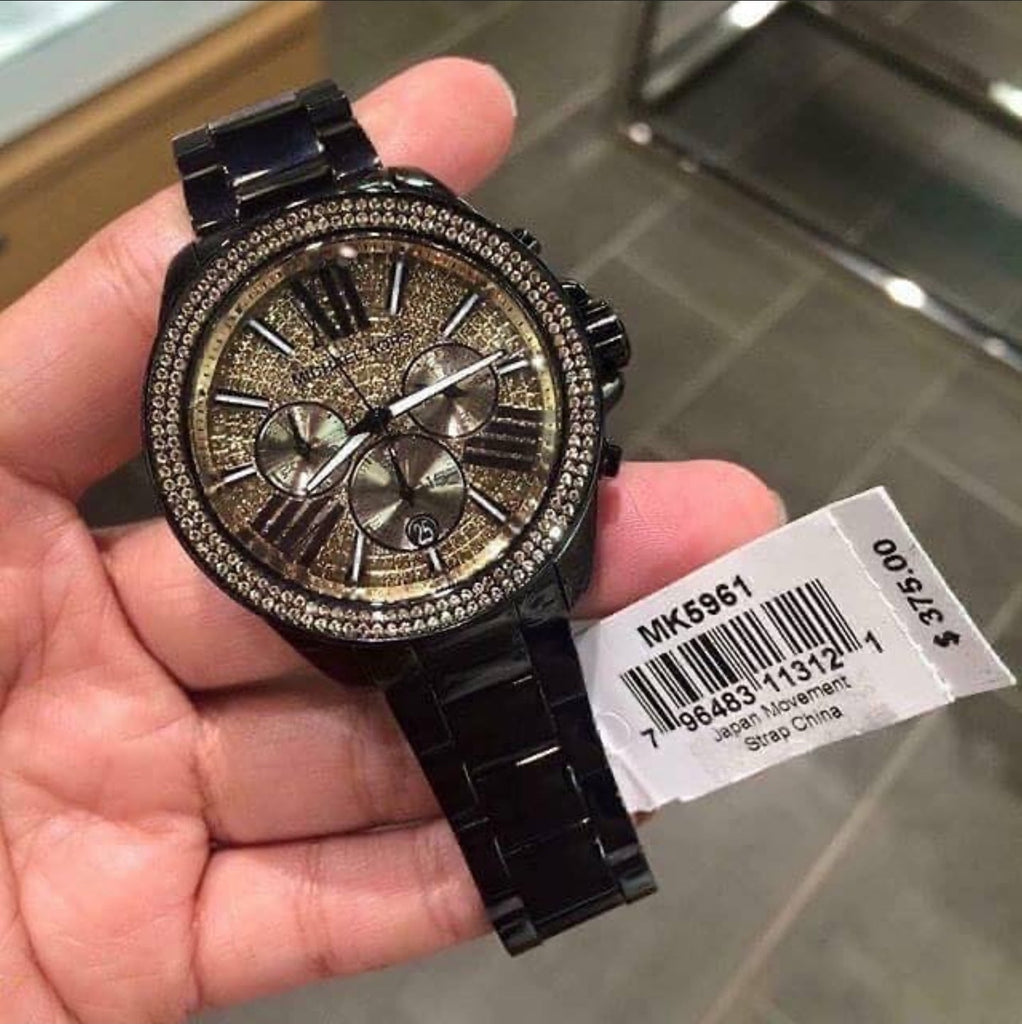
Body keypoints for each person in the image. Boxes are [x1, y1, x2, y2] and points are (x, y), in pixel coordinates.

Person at [0, 59, 782, 1022]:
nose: (373, 423)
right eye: (322, 438)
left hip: (502, 556)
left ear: (580, 344)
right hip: (410, 589)